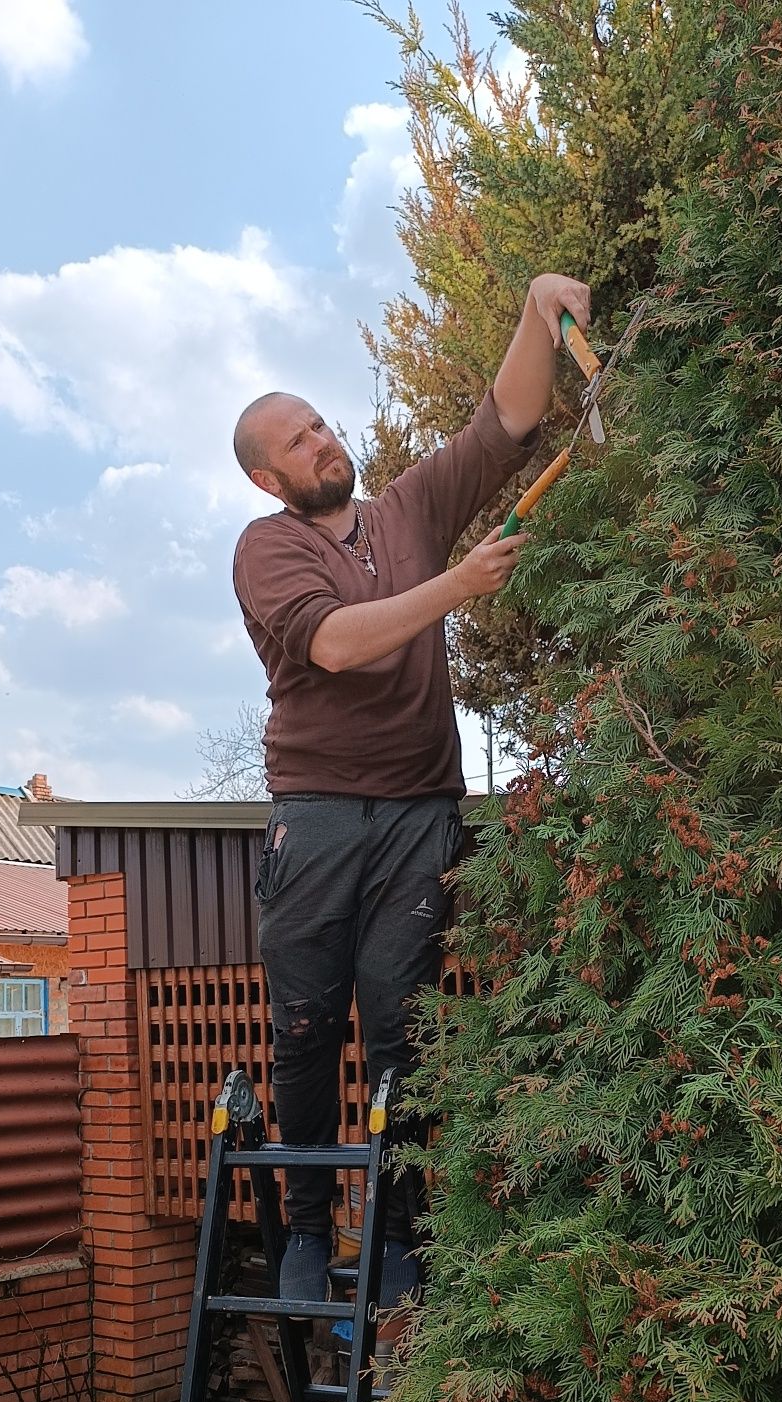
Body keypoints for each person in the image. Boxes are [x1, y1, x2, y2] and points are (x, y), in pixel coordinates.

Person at [231, 272, 591, 1306]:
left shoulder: (408, 509)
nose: (322, 440)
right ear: (267, 476)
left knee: (400, 1028)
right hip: (320, 816)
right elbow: (337, 644)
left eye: (322, 423)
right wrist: (456, 587)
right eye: (297, 440)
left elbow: (506, 419)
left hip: (421, 812)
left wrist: (534, 310)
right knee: (306, 1024)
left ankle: (395, 1230)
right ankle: (307, 1227)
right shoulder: (268, 549)